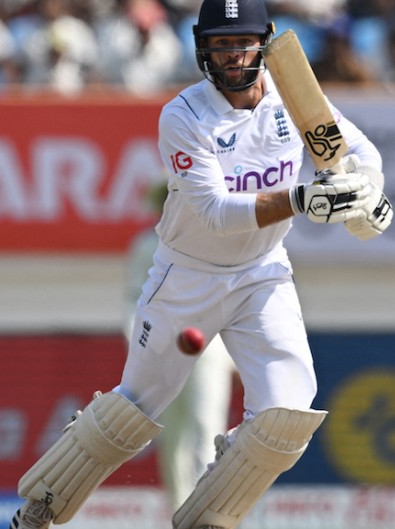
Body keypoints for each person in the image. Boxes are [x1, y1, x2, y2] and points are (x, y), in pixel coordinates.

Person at [9, 0, 392, 528]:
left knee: (287, 413)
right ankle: (43, 503)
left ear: (264, 42)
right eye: (220, 45)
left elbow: (359, 152)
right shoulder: (184, 115)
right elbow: (215, 212)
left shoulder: (293, 96)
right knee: (136, 406)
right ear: (202, 49)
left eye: (242, 44)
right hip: (188, 275)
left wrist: (367, 189)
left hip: (262, 272)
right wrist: (300, 199)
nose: (232, 56)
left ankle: (207, 517)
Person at [122, 180, 236, 510]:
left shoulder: (215, 241)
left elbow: (233, 299)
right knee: (171, 436)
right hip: (162, 353)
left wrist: (238, 351)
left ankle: (204, 509)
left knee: (207, 425)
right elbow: (134, 302)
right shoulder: (147, 245)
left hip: (208, 348)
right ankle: (179, 512)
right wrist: (141, 348)